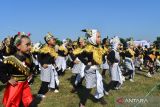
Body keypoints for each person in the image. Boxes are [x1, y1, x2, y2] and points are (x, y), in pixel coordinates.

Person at [73, 29, 107, 107]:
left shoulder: (98, 47)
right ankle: (82, 103)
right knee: (89, 88)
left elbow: (101, 55)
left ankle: (100, 97)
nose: (100, 38)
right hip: (90, 70)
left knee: (99, 83)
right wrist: (86, 62)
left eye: (100, 37)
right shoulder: (89, 48)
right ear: (92, 38)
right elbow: (78, 54)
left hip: (96, 69)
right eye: (98, 37)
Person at [0, 32, 35, 107]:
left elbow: (31, 67)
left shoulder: (28, 57)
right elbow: (1, 70)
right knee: (14, 104)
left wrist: (31, 73)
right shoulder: (11, 59)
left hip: (25, 85)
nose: (30, 47)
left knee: (28, 102)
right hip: (15, 86)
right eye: (27, 45)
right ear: (18, 46)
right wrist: (8, 78)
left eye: (30, 44)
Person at [37, 32, 59, 98]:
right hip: (45, 66)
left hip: (51, 66)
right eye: (53, 40)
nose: (55, 41)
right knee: (45, 80)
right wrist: (42, 64)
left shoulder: (53, 49)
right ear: (48, 41)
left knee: (53, 77)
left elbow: (52, 58)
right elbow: (39, 57)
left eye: (55, 40)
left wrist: (54, 64)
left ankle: (54, 87)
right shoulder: (44, 48)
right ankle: (40, 93)